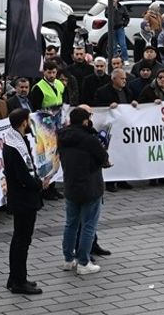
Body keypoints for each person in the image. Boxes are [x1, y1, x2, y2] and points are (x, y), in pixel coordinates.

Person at [58, 107, 109, 276]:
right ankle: (83, 262)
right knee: (88, 225)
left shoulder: (63, 136)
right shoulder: (89, 139)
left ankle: (67, 259)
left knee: (71, 223)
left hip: (71, 184)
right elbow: (103, 157)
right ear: (85, 121)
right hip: (90, 186)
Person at [2, 108, 46, 295]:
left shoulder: (15, 140)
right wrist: (39, 184)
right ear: (23, 123)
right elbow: (23, 176)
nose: (30, 124)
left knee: (19, 239)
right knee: (22, 240)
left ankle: (16, 277)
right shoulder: (15, 147)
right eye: (28, 121)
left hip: (21, 197)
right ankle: (19, 282)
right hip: (24, 199)